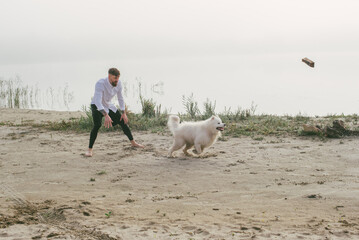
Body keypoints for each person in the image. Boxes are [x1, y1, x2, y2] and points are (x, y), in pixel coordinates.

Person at [85, 68, 144, 157]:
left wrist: (124, 112)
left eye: (118, 78)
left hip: (108, 105)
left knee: (122, 120)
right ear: (109, 76)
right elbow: (98, 101)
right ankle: (89, 150)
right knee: (97, 125)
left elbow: (120, 98)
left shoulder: (119, 83)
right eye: (114, 78)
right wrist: (106, 115)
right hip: (97, 106)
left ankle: (133, 143)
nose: (116, 80)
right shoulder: (100, 83)